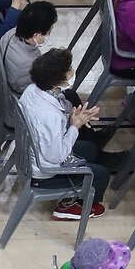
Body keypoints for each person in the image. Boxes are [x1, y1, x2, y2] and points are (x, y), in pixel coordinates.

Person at [20, 44, 121, 217]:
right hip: (44, 173)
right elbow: (56, 156)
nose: (72, 70)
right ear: (56, 81)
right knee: (101, 174)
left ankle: (77, 192)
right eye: (69, 69)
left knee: (90, 148)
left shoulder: (32, 90)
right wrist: (75, 126)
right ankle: (73, 206)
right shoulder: (50, 116)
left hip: (31, 154)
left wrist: (74, 117)